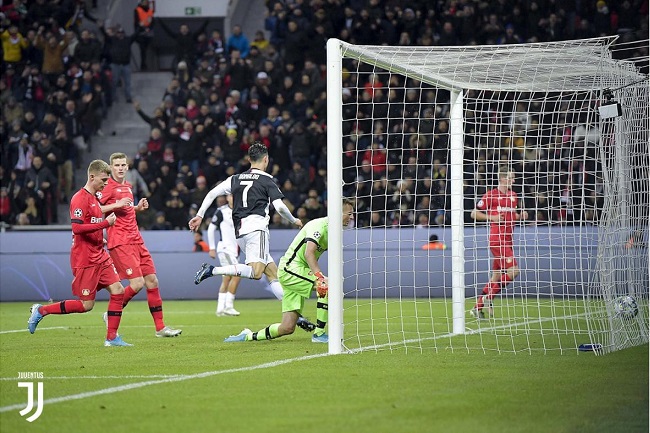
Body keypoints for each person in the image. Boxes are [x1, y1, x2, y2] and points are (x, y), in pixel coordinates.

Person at [27, 160, 132, 347]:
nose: (106, 183)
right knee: (86, 305)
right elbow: (77, 228)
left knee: (118, 291)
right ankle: (42, 310)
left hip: (100, 254)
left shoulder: (95, 198)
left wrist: (101, 238)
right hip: (85, 259)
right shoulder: (79, 198)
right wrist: (105, 224)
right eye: (103, 179)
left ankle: (112, 338)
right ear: (92, 177)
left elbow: (90, 224)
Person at [223, 198, 355, 343]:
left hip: (298, 271)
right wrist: (319, 276)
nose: (352, 217)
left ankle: (247, 336)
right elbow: (309, 253)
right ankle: (319, 333)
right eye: (349, 213)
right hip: (290, 268)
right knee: (326, 285)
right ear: (337, 212)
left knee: (287, 327)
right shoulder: (319, 226)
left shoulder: (334, 232)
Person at [190, 142, 303, 302]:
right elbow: (280, 207)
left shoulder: (235, 179)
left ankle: (296, 317)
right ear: (266, 159)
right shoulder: (267, 180)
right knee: (256, 273)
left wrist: (200, 215)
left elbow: (212, 193)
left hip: (240, 233)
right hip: (257, 230)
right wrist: (294, 220)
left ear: (249, 159)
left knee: (272, 274)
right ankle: (212, 270)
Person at [97, 152, 182, 337]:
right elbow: (95, 209)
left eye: (123, 165)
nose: (120, 168)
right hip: (120, 241)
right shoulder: (107, 187)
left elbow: (124, 210)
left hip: (136, 239)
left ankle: (160, 328)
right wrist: (117, 204)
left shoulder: (128, 186)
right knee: (137, 283)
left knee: (152, 280)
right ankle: (110, 313)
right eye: (117, 165)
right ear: (111, 168)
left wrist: (136, 208)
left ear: (127, 167)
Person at [469, 166, 528, 319]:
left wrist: (520, 216)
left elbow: (511, 216)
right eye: (511, 177)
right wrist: (491, 218)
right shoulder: (491, 195)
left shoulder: (514, 196)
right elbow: (473, 213)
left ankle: (477, 308)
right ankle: (489, 297)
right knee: (514, 271)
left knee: (495, 277)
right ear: (502, 178)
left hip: (508, 241)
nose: (513, 180)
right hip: (497, 240)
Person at [207, 194, 242, 316]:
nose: (233, 198)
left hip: (235, 250)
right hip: (225, 248)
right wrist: (211, 248)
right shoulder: (222, 211)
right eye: (231, 195)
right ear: (227, 198)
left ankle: (220, 308)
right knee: (237, 274)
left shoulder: (242, 210)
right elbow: (211, 229)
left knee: (227, 277)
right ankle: (229, 306)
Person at [133, 0, 154, 70]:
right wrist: (143, 28)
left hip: (148, 33)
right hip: (141, 33)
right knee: (142, 50)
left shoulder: (150, 11)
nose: (146, 3)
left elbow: (152, 21)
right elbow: (136, 22)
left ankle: (144, 65)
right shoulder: (137, 10)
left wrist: (148, 28)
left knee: (146, 50)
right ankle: (143, 65)